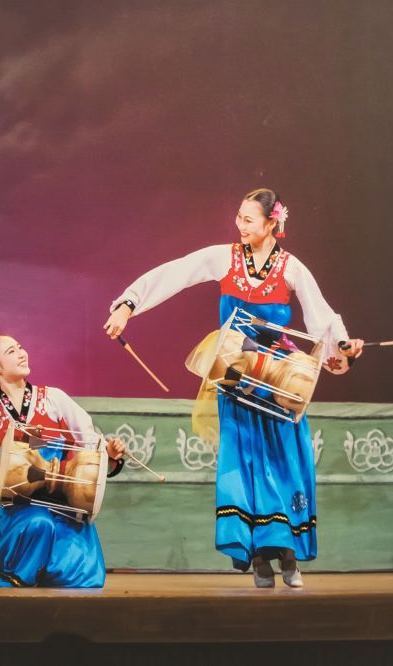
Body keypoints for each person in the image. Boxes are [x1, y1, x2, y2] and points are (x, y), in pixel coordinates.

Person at [104, 188, 363, 588]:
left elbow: (322, 319)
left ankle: (287, 552)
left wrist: (342, 344)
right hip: (236, 373)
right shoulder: (224, 257)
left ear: (272, 223)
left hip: (277, 379)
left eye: (248, 219)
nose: (239, 225)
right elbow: (176, 272)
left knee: (284, 462)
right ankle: (257, 555)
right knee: (244, 464)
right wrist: (128, 304)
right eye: (238, 217)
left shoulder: (291, 268)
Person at [0, 335, 125, 588]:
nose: (22, 353)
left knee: (80, 573)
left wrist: (109, 455)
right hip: (17, 502)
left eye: (21, 348)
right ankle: (15, 575)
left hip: (62, 499)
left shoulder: (54, 399)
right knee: (39, 524)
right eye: (11, 351)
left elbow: (88, 442)